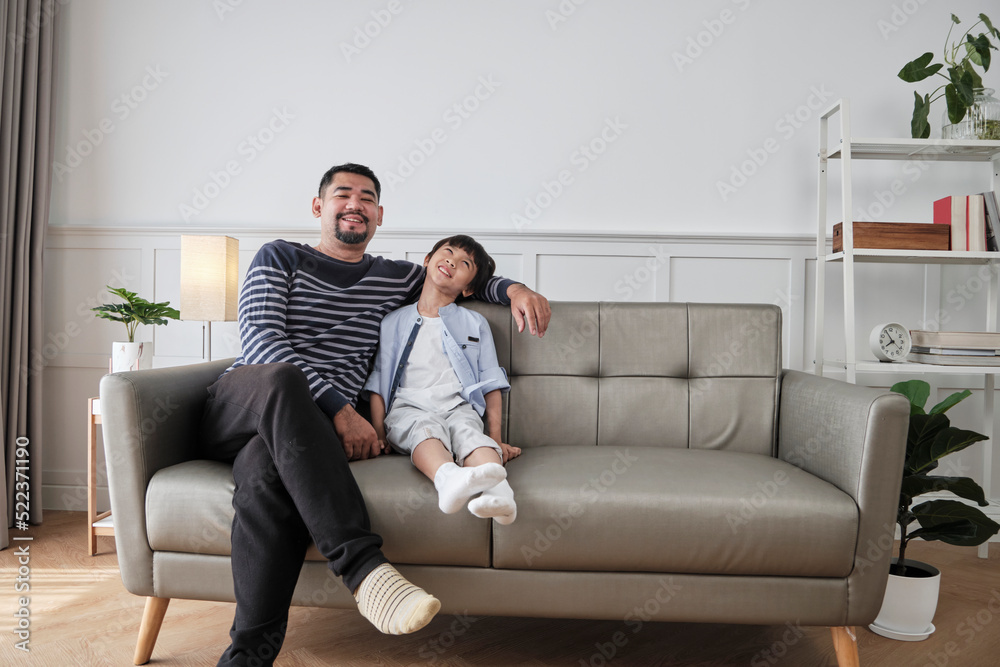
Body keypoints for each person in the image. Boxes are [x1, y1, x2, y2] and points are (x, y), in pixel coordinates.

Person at [197, 163, 550, 666]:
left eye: (367, 198)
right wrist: (342, 410)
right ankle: (364, 569)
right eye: (343, 194)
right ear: (319, 207)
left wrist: (514, 290)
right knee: (283, 377)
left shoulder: (394, 277)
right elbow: (262, 343)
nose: (355, 204)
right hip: (244, 404)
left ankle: (246, 658)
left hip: (298, 435)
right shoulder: (279, 257)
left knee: (262, 473)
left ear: (379, 216)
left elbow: (460, 279)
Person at [365, 235, 521, 526]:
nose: (452, 261)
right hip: (409, 408)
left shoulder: (475, 324)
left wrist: (496, 440)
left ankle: (501, 496)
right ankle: (448, 479)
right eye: (447, 252)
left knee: (473, 437)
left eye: (464, 263)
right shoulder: (392, 321)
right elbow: (379, 381)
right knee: (426, 430)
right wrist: (379, 434)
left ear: (469, 287)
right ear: (427, 259)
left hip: (458, 407)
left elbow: (491, 383)